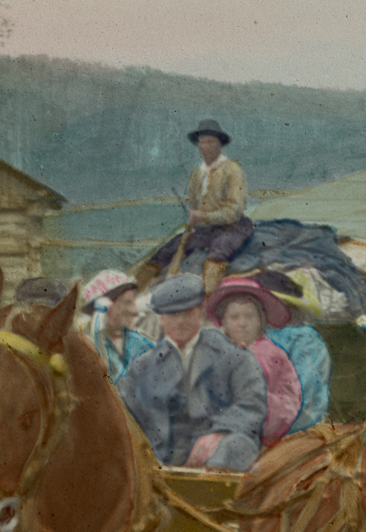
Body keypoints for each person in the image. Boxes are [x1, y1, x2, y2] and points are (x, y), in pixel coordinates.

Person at [116, 272, 266, 472]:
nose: (180, 322)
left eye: (186, 313)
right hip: (159, 461)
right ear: (161, 319)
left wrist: (219, 434)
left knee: (236, 445)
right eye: (172, 315)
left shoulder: (234, 357)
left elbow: (252, 406)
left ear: (200, 313)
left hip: (218, 457)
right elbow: (123, 411)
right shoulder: (142, 367)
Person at [140, 118, 254, 297]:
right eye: (202, 141)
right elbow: (195, 206)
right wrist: (195, 220)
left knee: (217, 254)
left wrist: (203, 217)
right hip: (206, 229)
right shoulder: (196, 174)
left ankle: (209, 300)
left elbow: (234, 211)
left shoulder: (233, 170)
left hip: (234, 227)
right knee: (167, 250)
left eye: (210, 141)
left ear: (219, 145)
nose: (205, 146)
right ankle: (135, 290)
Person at [206, 275, 305, 448]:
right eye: (234, 317)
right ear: (224, 322)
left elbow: (290, 399)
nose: (242, 323)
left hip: (265, 440)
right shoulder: (212, 353)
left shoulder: (274, 355)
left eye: (249, 316)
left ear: (260, 320)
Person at [78, 269, 156, 382]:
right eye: (128, 303)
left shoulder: (141, 345)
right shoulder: (86, 353)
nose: (134, 311)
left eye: (133, 302)